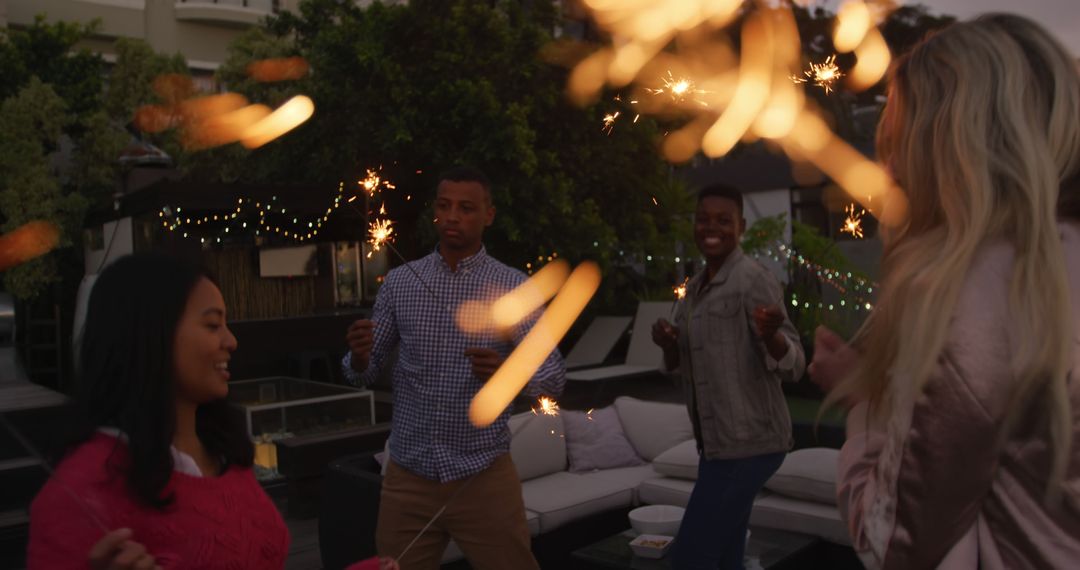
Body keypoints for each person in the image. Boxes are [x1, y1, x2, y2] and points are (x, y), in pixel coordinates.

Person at [809, 13, 1080, 569]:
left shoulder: (975, 295)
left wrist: (864, 409)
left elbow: (897, 541)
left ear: (951, 145)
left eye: (901, 137)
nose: (888, 166)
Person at [28, 253, 398, 570]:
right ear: (148, 334)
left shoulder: (224, 455)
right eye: (211, 324)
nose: (231, 340)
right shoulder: (79, 495)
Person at [343, 166, 565, 570]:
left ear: (488, 215)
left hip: (482, 477)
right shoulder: (400, 283)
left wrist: (505, 375)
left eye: (465, 208)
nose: (452, 216)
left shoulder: (513, 287)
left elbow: (553, 377)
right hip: (408, 478)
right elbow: (365, 372)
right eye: (444, 206)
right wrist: (359, 356)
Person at [651, 184, 805, 570]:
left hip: (750, 444)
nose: (711, 227)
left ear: (742, 226)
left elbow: (796, 363)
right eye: (703, 219)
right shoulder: (693, 289)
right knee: (724, 555)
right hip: (716, 447)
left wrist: (771, 336)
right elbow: (685, 369)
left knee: (690, 557)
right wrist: (669, 344)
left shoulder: (753, 279)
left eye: (723, 220)